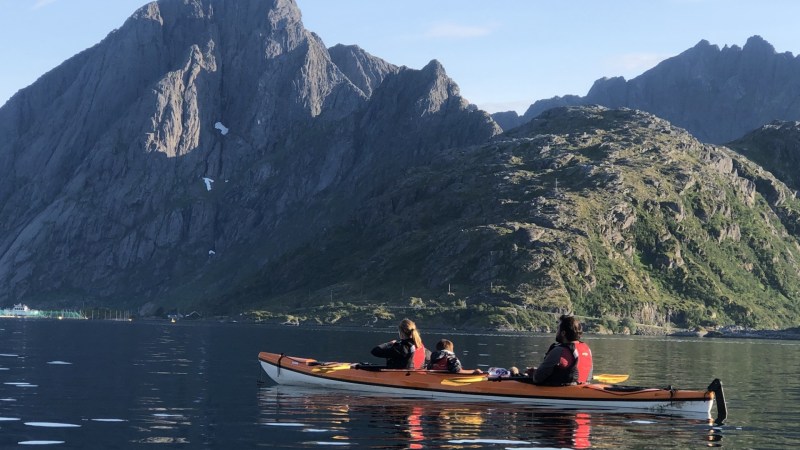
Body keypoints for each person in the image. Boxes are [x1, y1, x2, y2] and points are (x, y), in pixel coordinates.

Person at [526, 315, 593, 385]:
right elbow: (589, 376)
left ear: (563, 333)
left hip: (561, 390)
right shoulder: (587, 350)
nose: (556, 331)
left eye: (558, 328)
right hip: (583, 388)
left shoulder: (559, 351)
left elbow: (537, 378)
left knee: (513, 370)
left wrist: (533, 373)